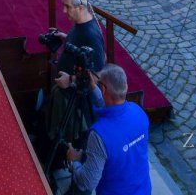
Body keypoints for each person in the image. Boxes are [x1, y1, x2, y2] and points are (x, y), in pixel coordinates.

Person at [64, 64, 152, 195]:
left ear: (103, 89)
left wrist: (73, 162)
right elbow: (116, 154)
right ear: (125, 86)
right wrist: (94, 87)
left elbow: (86, 182)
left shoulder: (99, 135)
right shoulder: (138, 111)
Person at [45, 0, 107, 149]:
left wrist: (70, 80)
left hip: (74, 100)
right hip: (66, 93)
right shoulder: (80, 22)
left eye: (67, 7)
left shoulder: (91, 35)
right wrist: (65, 38)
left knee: (66, 138)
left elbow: (97, 74)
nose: (64, 11)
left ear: (80, 8)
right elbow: (80, 47)